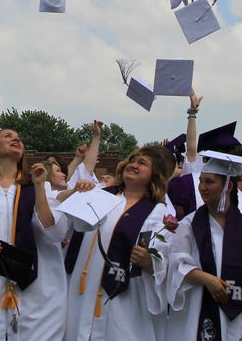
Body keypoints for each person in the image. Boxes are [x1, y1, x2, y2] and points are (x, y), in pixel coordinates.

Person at [0, 128, 69, 340]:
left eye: (19, 137)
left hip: (35, 287)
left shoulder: (40, 186)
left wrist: (39, 187)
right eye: (8, 136)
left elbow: (54, 233)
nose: (16, 139)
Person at [64, 145, 173, 341]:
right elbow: (76, 225)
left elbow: (162, 254)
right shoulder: (101, 194)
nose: (134, 164)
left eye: (142, 163)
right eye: (132, 160)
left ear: (154, 175)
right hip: (84, 282)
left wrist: (149, 261)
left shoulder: (157, 212)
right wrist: (81, 192)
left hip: (122, 291)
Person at [165, 150, 242, 341]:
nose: (202, 187)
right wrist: (206, 279)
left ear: (228, 186)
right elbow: (175, 264)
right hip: (198, 309)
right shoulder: (189, 225)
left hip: (239, 316)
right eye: (201, 181)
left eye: (209, 182)